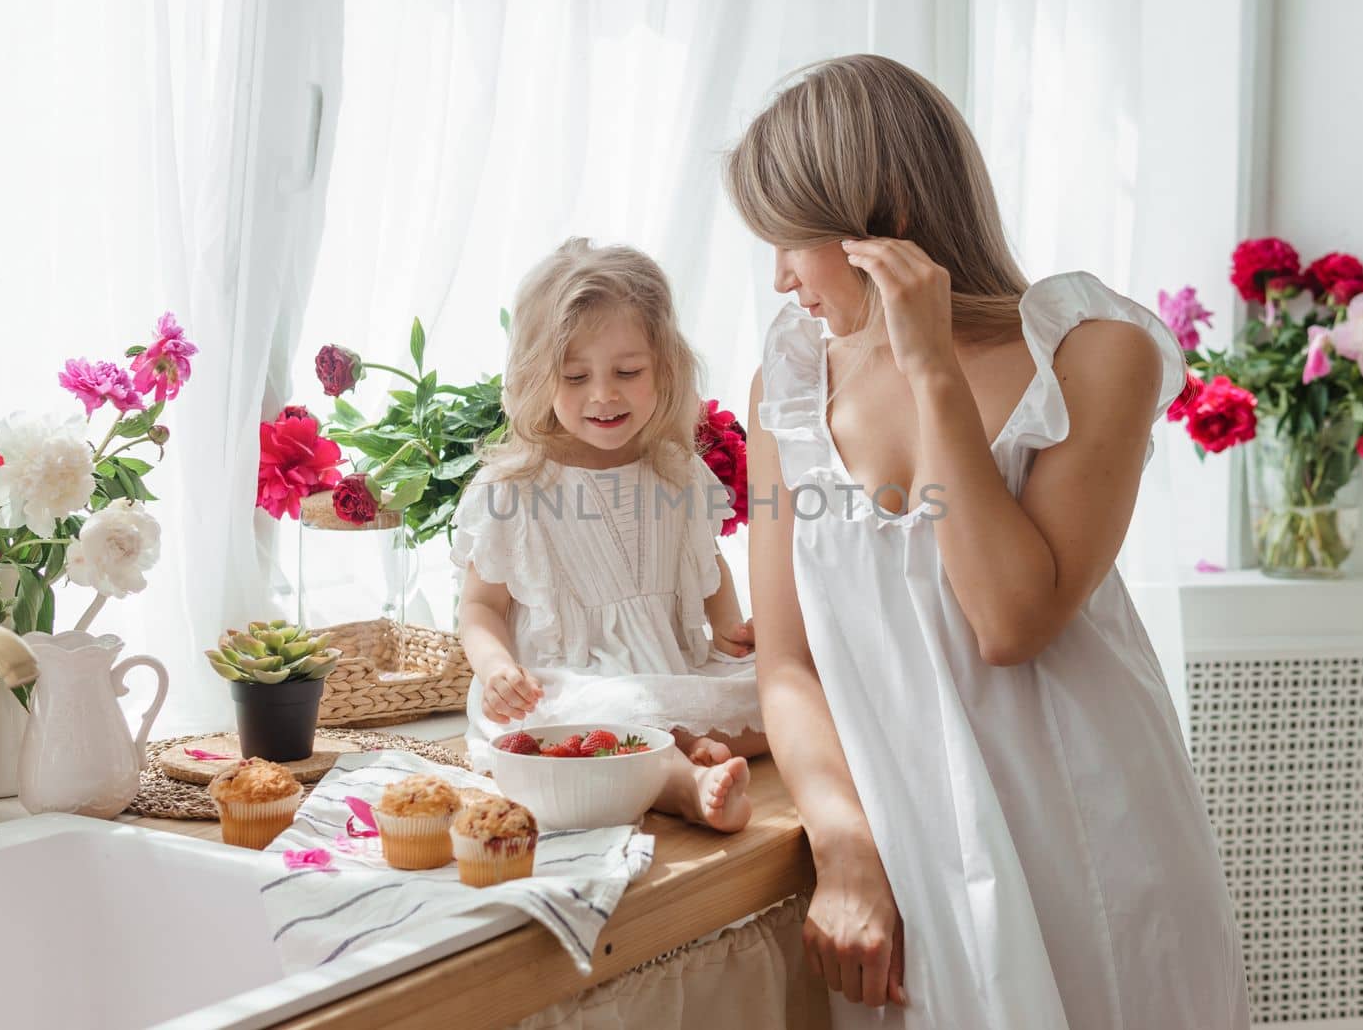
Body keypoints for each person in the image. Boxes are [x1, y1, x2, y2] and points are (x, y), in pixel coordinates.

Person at [729, 54, 1250, 1027]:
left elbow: (1009, 617)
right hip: (910, 870)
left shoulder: (1094, 347)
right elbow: (787, 662)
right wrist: (845, 851)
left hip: (1094, 855)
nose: (778, 278)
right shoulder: (788, 389)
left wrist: (928, 367)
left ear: (876, 214)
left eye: (790, 241)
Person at [452, 237, 766, 832]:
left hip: (674, 668)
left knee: (784, 690)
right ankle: (684, 783)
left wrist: (730, 631)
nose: (604, 394)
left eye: (628, 371)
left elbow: (706, 562)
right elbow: (480, 607)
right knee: (608, 717)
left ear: (664, 367)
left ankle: (682, 744)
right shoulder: (514, 487)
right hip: (570, 686)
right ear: (536, 378)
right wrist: (495, 670)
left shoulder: (674, 468)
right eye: (575, 376)